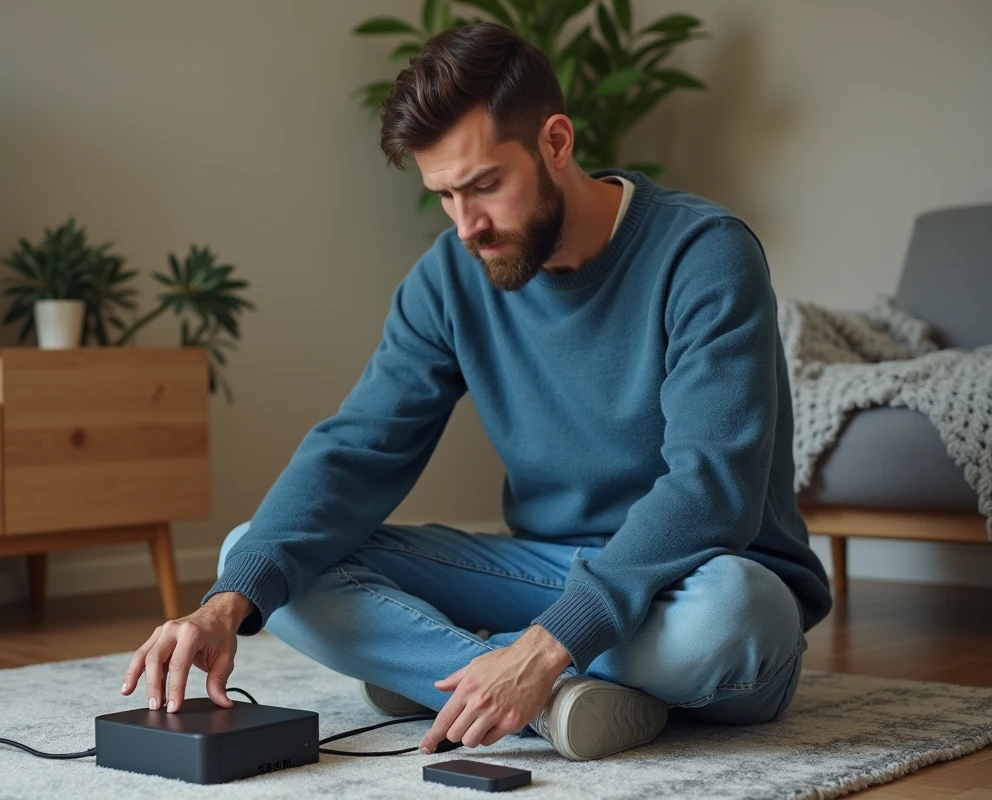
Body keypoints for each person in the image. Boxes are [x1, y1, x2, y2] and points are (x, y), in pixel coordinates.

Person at [120, 21, 832, 762]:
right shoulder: (450, 275)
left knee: (734, 617)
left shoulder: (704, 254)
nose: (468, 226)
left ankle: (458, 668)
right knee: (259, 561)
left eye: (486, 185)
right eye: (445, 196)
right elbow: (359, 447)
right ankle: (535, 695)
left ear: (556, 142)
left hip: (698, 580)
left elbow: (713, 489)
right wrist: (219, 609)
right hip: (542, 570)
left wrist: (549, 641)